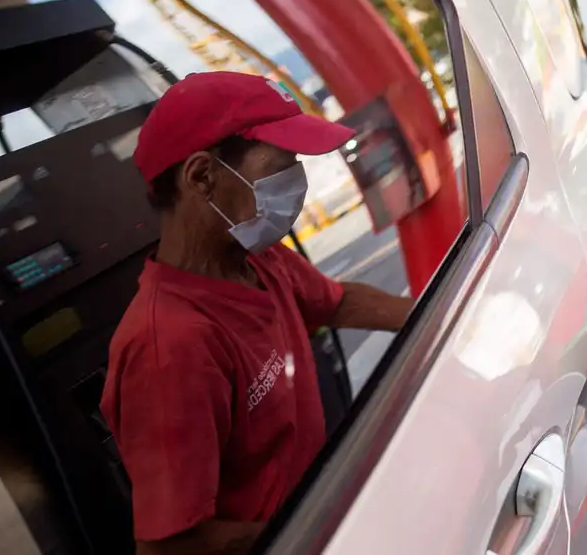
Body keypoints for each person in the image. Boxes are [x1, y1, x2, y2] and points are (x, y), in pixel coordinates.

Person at [101, 71, 415, 555]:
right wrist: (329, 528)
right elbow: (172, 547)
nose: (298, 181)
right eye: (282, 162)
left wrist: (449, 318)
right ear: (203, 176)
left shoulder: (257, 257)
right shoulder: (170, 347)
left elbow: (336, 301)